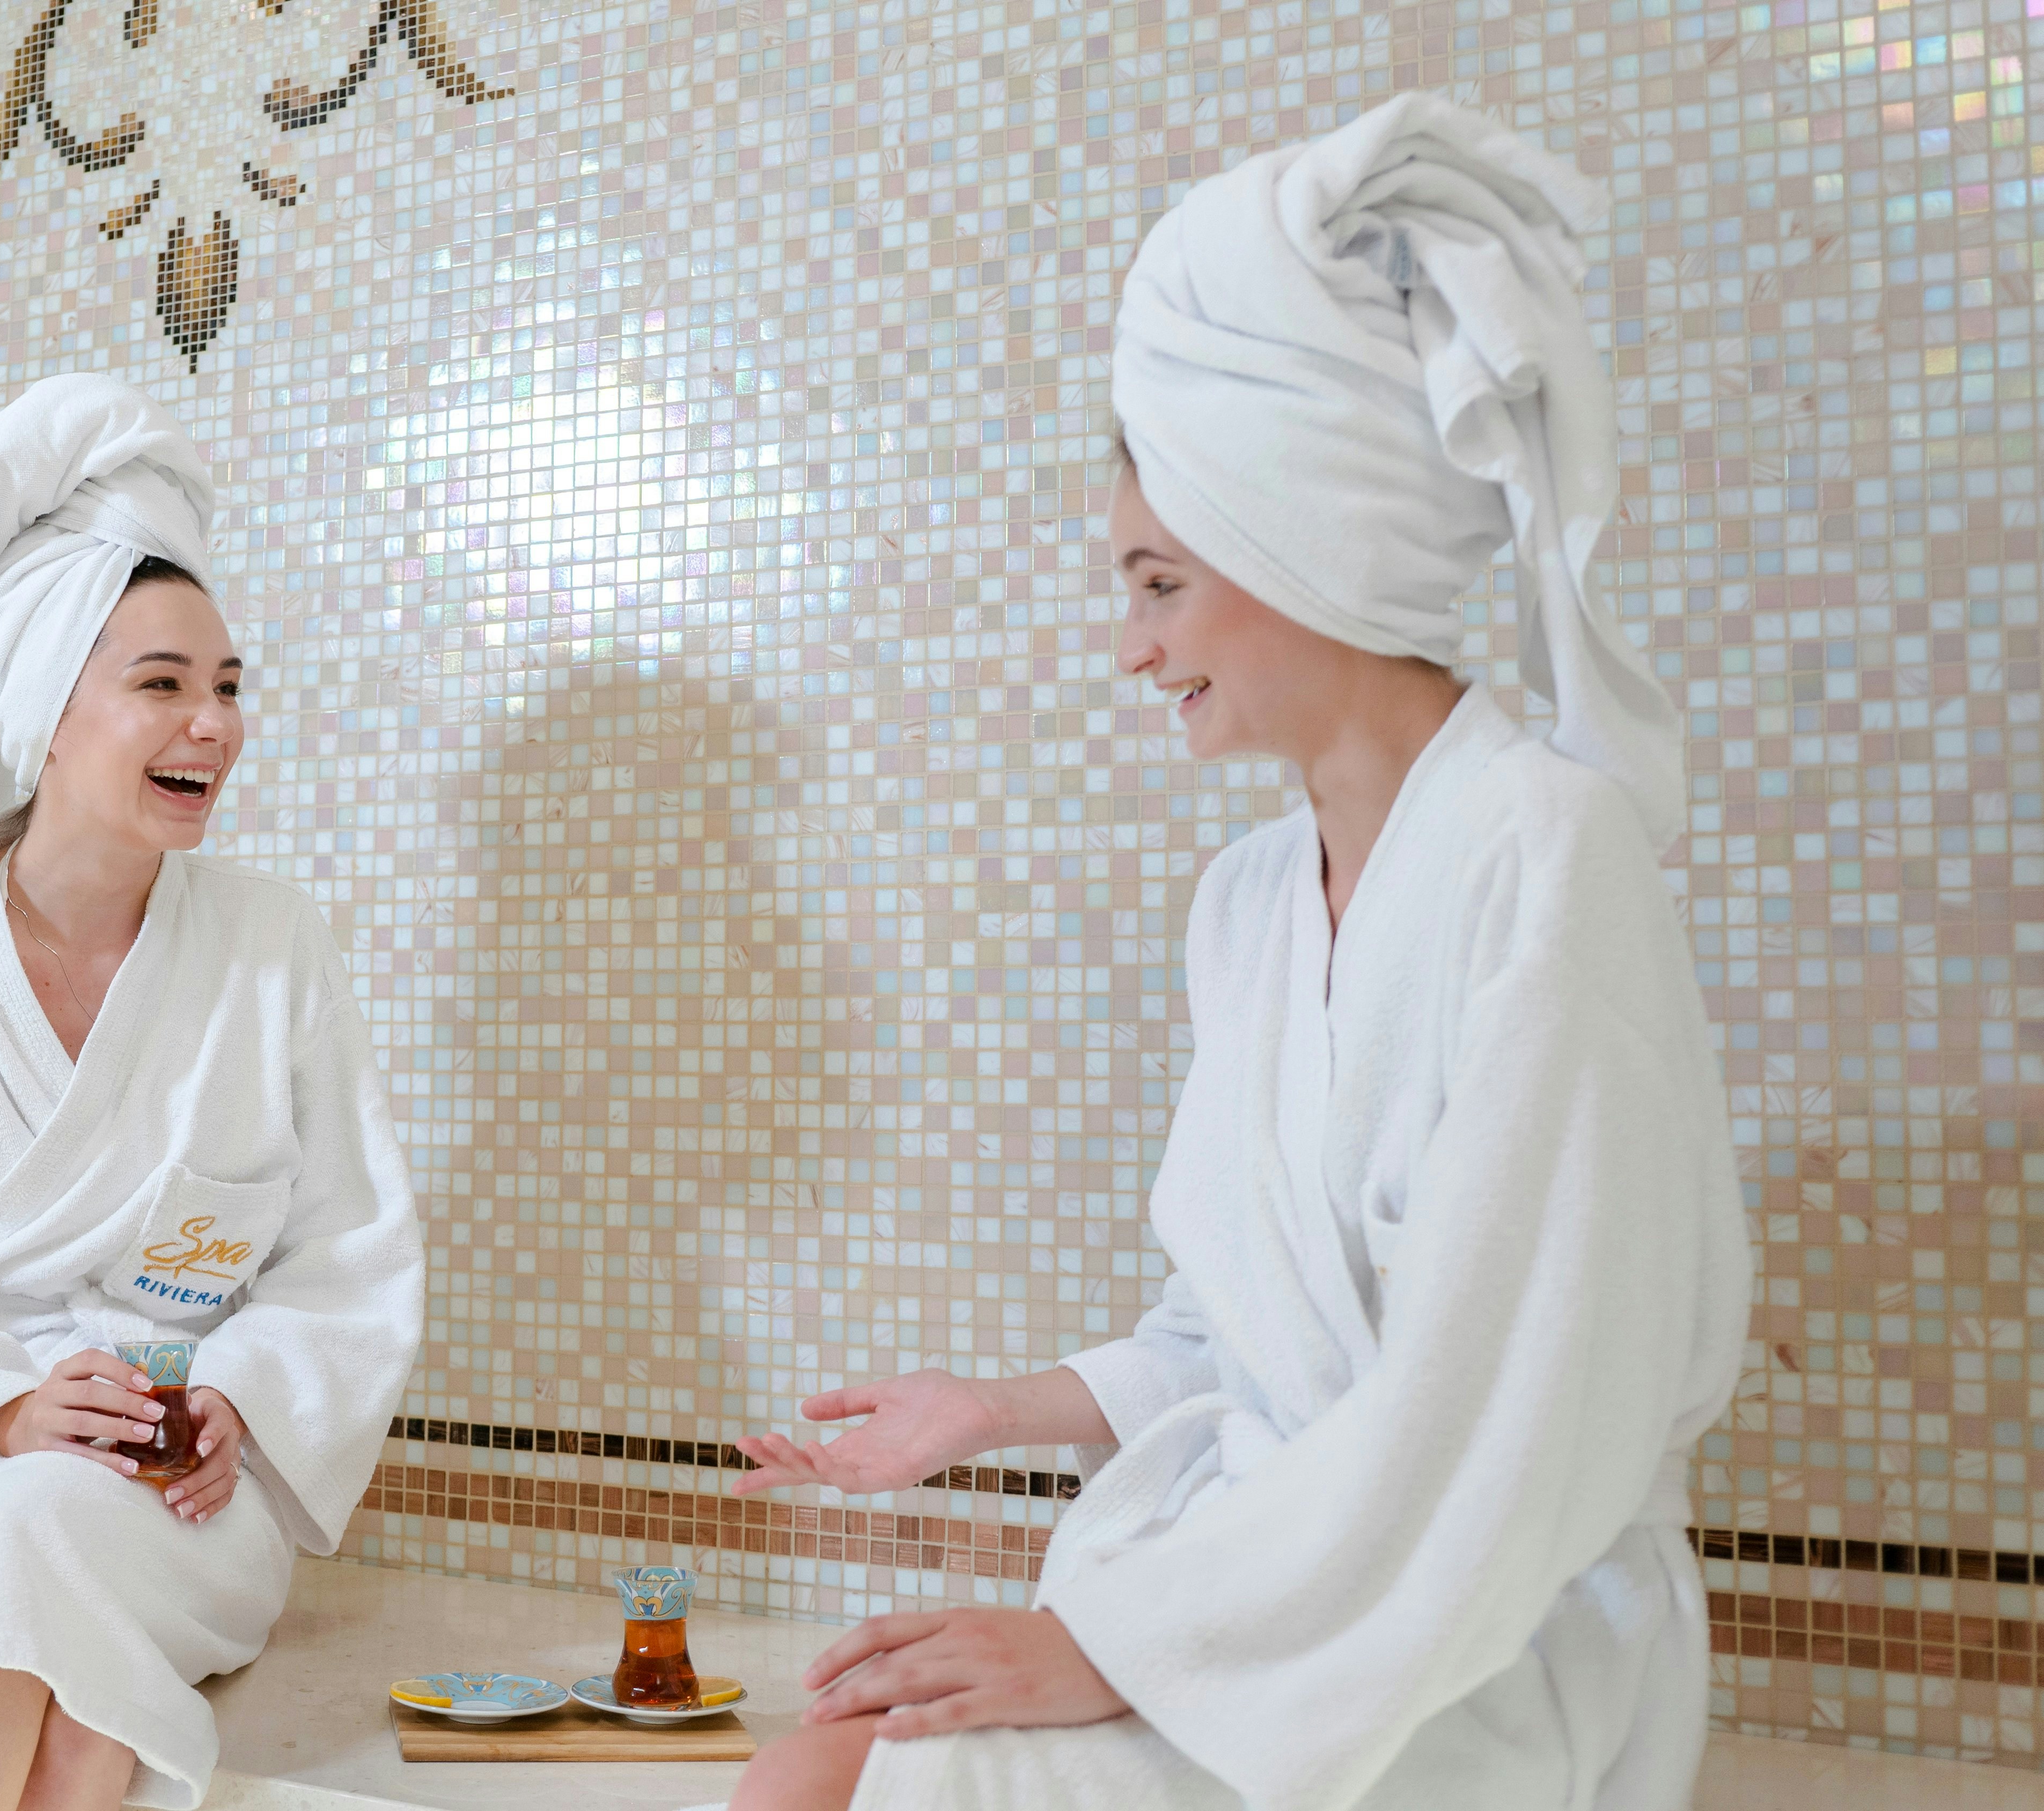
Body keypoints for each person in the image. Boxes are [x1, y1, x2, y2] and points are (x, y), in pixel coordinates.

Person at [719, 94, 1752, 1811]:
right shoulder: (1251, 903)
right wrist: (985, 1410)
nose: (1129, 651)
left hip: (1474, 1629)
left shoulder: (1539, 857)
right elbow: (1237, 1338)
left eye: (1156, 586)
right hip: (1272, 1574)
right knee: (819, 1756)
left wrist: (1117, 1649)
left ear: (1302, 544)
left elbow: (1507, 1425)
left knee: (895, 1782)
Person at [0, 375, 425, 1811]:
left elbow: (344, 1255)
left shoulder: (270, 948)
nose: (215, 726)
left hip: (186, 1500)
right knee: (70, 1714)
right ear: (45, 713)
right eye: (163, 686)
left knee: (30, 1569)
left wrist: (241, 1397)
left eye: (229, 686)